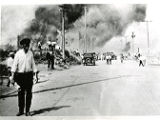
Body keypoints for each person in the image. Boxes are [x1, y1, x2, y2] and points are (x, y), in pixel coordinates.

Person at [10, 37, 37, 116]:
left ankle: (27, 111)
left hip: (28, 75)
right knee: (21, 94)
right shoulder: (18, 54)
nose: (26, 48)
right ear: (22, 46)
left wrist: (35, 75)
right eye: (25, 46)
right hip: (20, 76)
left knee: (29, 94)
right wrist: (12, 77)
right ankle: (21, 110)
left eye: (27, 46)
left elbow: (33, 64)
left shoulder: (30, 53)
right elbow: (14, 65)